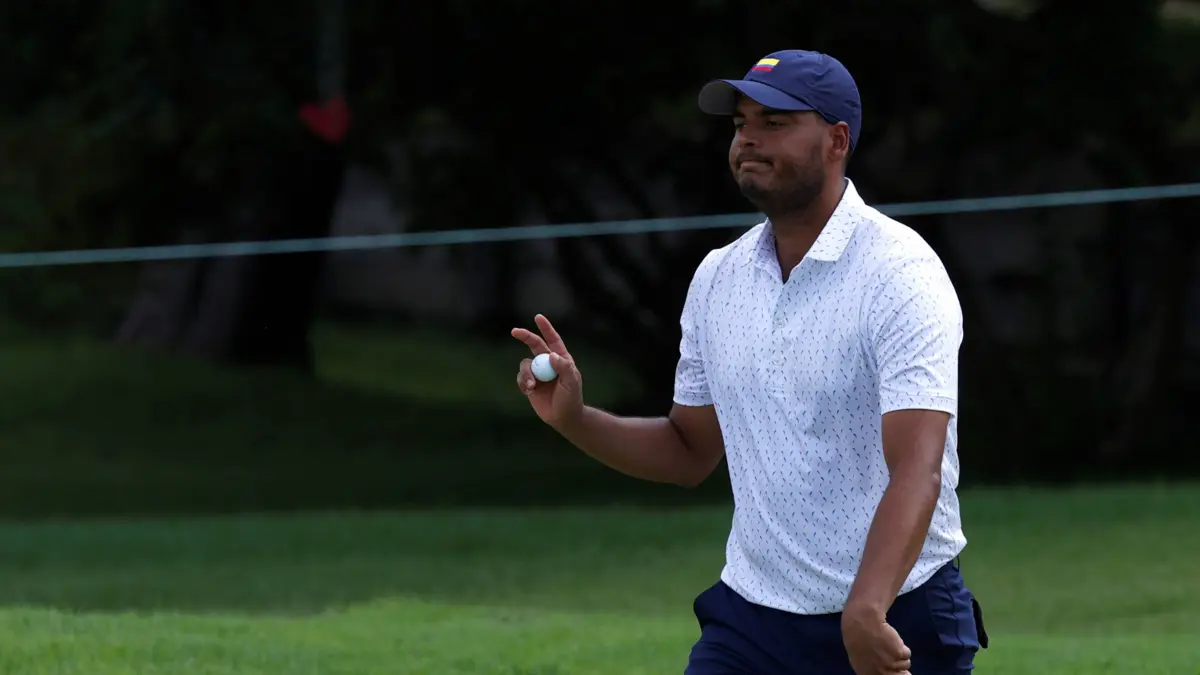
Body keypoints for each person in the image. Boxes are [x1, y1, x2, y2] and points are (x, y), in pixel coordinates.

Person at [511, 49, 988, 675]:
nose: (749, 140)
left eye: (775, 122)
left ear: (837, 140)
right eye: (741, 124)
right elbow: (688, 450)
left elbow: (917, 468)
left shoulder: (901, 273)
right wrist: (576, 419)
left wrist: (866, 608)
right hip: (753, 621)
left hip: (896, 613)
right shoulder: (718, 277)